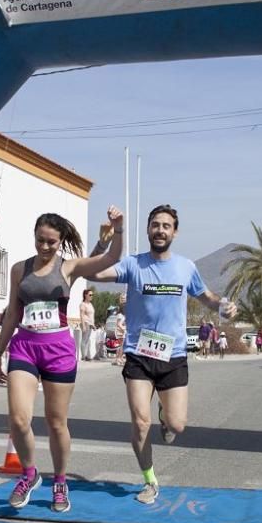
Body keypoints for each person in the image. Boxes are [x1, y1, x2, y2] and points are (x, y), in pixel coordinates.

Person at [86, 204, 236, 505]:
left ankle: (166, 420)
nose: (160, 230)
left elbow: (206, 297)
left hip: (174, 356)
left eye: (166, 226)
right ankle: (150, 480)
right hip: (139, 356)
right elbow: (93, 272)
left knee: (178, 425)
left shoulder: (186, 267)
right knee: (140, 423)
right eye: (155, 225)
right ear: (147, 229)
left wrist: (224, 306)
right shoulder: (133, 264)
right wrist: (105, 240)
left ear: (175, 232)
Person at [0, 206, 124, 513]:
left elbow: (110, 259)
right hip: (24, 345)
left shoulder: (68, 268)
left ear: (60, 241)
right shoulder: (19, 269)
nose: (45, 246)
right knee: (19, 418)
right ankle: (29, 473)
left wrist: (117, 230)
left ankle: (60, 481)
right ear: (34, 236)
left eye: (51, 242)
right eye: (40, 240)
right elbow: (13, 311)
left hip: (58, 350)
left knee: (56, 422)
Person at [79, 289, 96, 361]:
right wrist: (83, 326)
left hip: (90, 324)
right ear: (85, 295)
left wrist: (93, 324)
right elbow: (82, 315)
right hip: (85, 323)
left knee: (87, 340)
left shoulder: (90, 304)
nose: (91, 296)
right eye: (90, 295)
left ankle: (86, 355)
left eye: (92, 295)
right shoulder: (83, 304)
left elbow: (91, 316)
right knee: (84, 340)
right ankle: (84, 356)